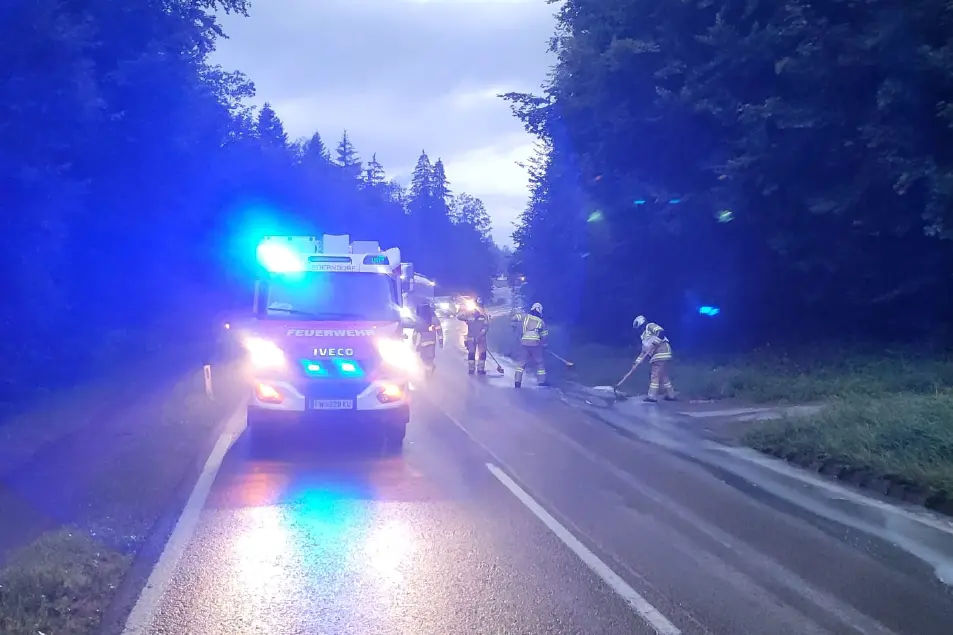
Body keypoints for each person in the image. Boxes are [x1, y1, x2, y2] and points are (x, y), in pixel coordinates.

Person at [631, 314, 676, 402]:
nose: (638, 330)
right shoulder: (644, 337)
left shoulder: (650, 326)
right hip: (661, 354)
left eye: (639, 328)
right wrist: (636, 363)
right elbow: (643, 353)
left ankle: (652, 397)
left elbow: (661, 333)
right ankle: (671, 395)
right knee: (663, 376)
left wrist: (655, 343)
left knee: (655, 375)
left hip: (661, 352)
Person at [513, 302, 549, 388]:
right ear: (540, 311)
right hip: (535, 343)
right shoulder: (541, 322)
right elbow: (544, 336)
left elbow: (514, 318)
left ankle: (517, 383)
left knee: (521, 364)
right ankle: (541, 382)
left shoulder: (525, 316)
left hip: (524, 342)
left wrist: (513, 326)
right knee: (539, 363)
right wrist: (544, 344)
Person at [457, 296, 489, 375]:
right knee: (472, 353)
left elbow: (486, 326)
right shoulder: (469, 314)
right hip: (474, 338)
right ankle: (473, 369)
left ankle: (478, 369)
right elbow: (459, 317)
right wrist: (464, 310)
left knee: (481, 353)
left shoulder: (484, 315)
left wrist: (480, 335)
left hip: (480, 338)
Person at [413, 302, 442, 375]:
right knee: (428, 358)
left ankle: (428, 373)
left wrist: (414, 342)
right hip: (430, 343)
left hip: (425, 343)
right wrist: (440, 341)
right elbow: (439, 332)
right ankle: (430, 369)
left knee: (426, 358)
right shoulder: (434, 320)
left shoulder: (420, 320)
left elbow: (415, 332)